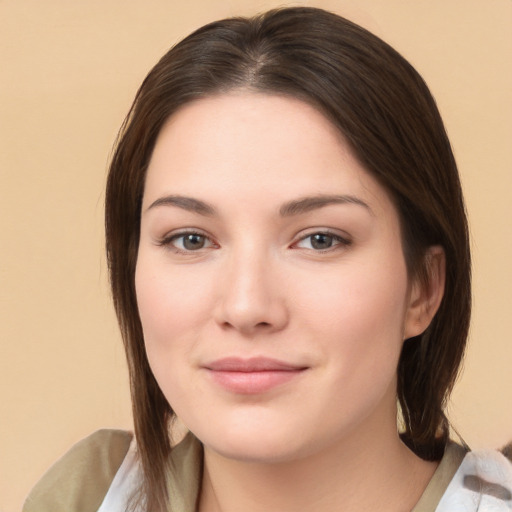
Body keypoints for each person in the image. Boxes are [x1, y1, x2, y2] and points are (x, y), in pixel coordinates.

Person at [23, 6, 512, 512]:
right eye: (191, 239)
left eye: (320, 239)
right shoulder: (86, 496)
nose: (245, 305)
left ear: (423, 289)